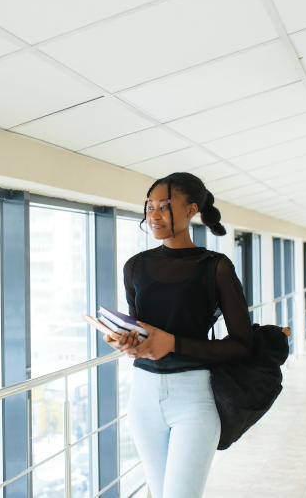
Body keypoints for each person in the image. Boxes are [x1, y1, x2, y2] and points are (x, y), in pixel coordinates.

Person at [104, 172, 253, 498]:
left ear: (191, 210)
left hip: (194, 399)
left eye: (164, 207)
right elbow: (140, 332)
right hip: (142, 397)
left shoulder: (216, 267)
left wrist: (173, 343)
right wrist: (125, 342)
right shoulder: (135, 267)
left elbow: (242, 345)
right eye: (150, 207)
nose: (154, 215)